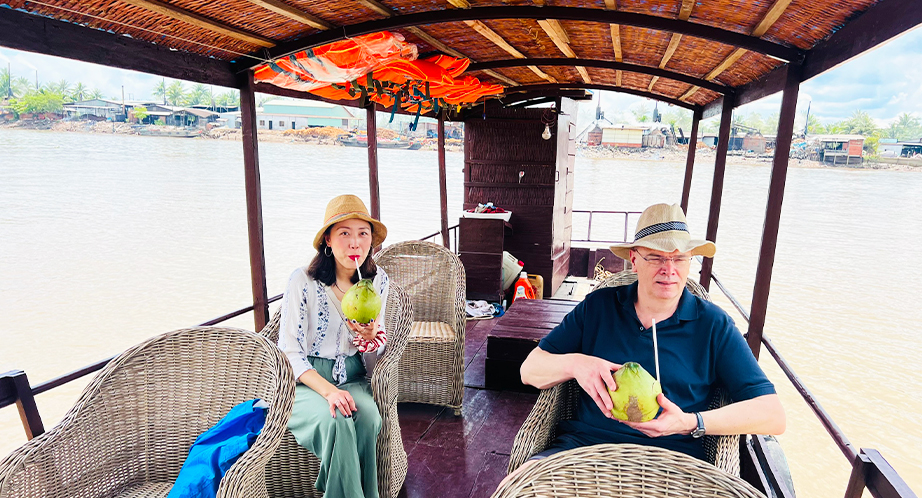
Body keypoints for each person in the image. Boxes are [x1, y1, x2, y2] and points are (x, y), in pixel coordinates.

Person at [509, 203, 785, 480]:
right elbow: (529, 371)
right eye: (656, 257)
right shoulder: (599, 307)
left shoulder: (713, 325)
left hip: (672, 467)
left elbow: (773, 414)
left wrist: (690, 422)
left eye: (679, 258)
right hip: (583, 452)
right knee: (518, 485)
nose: (669, 269)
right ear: (634, 259)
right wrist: (577, 364)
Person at [277, 194, 389, 498]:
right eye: (344, 233)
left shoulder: (377, 281)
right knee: (338, 420)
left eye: (363, 233)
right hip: (305, 382)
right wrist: (329, 391)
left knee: (369, 418)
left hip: (352, 376)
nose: (355, 243)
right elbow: (288, 351)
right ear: (328, 239)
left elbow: (375, 357)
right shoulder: (302, 281)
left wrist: (370, 338)